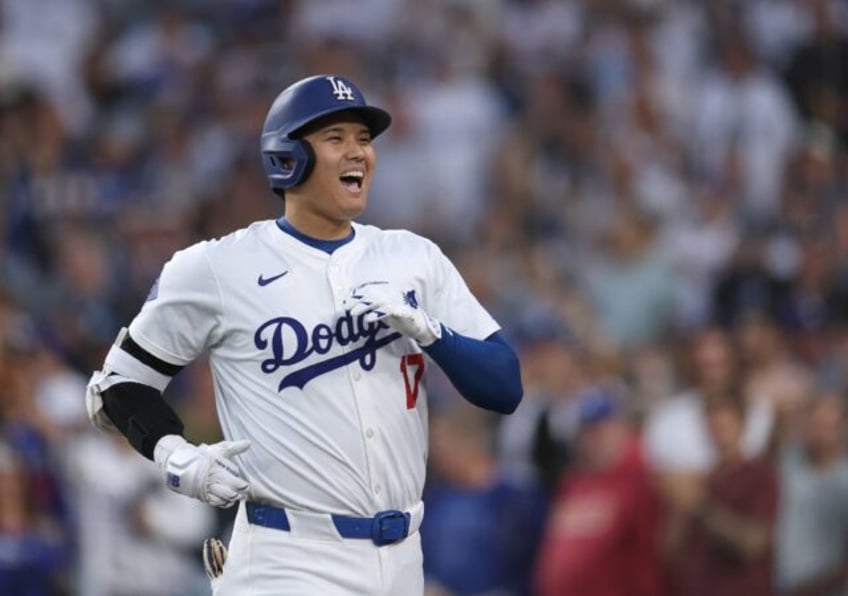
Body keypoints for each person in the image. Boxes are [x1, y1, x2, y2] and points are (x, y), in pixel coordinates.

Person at [84, 73, 523, 596]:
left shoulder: (413, 257)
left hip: (403, 554)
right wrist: (174, 454)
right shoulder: (219, 267)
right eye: (335, 139)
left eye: (363, 138)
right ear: (287, 157)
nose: (357, 152)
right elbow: (117, 388)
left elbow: (505, 386)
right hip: (287, 556)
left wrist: (432, 333)